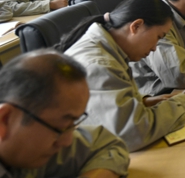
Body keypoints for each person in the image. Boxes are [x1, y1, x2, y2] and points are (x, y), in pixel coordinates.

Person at [61, 0, 185, 152]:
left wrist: (144, 102)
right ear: (136, 26)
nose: (154, 48)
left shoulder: (110, 47)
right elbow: (132, 134)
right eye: (158, 37)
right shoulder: (100, 64)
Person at [0, 50, 130, 177]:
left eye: (71, 125)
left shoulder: (30, 149)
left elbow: (107, 146)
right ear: (5, 119)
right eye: (60, 127)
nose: (67, 141)